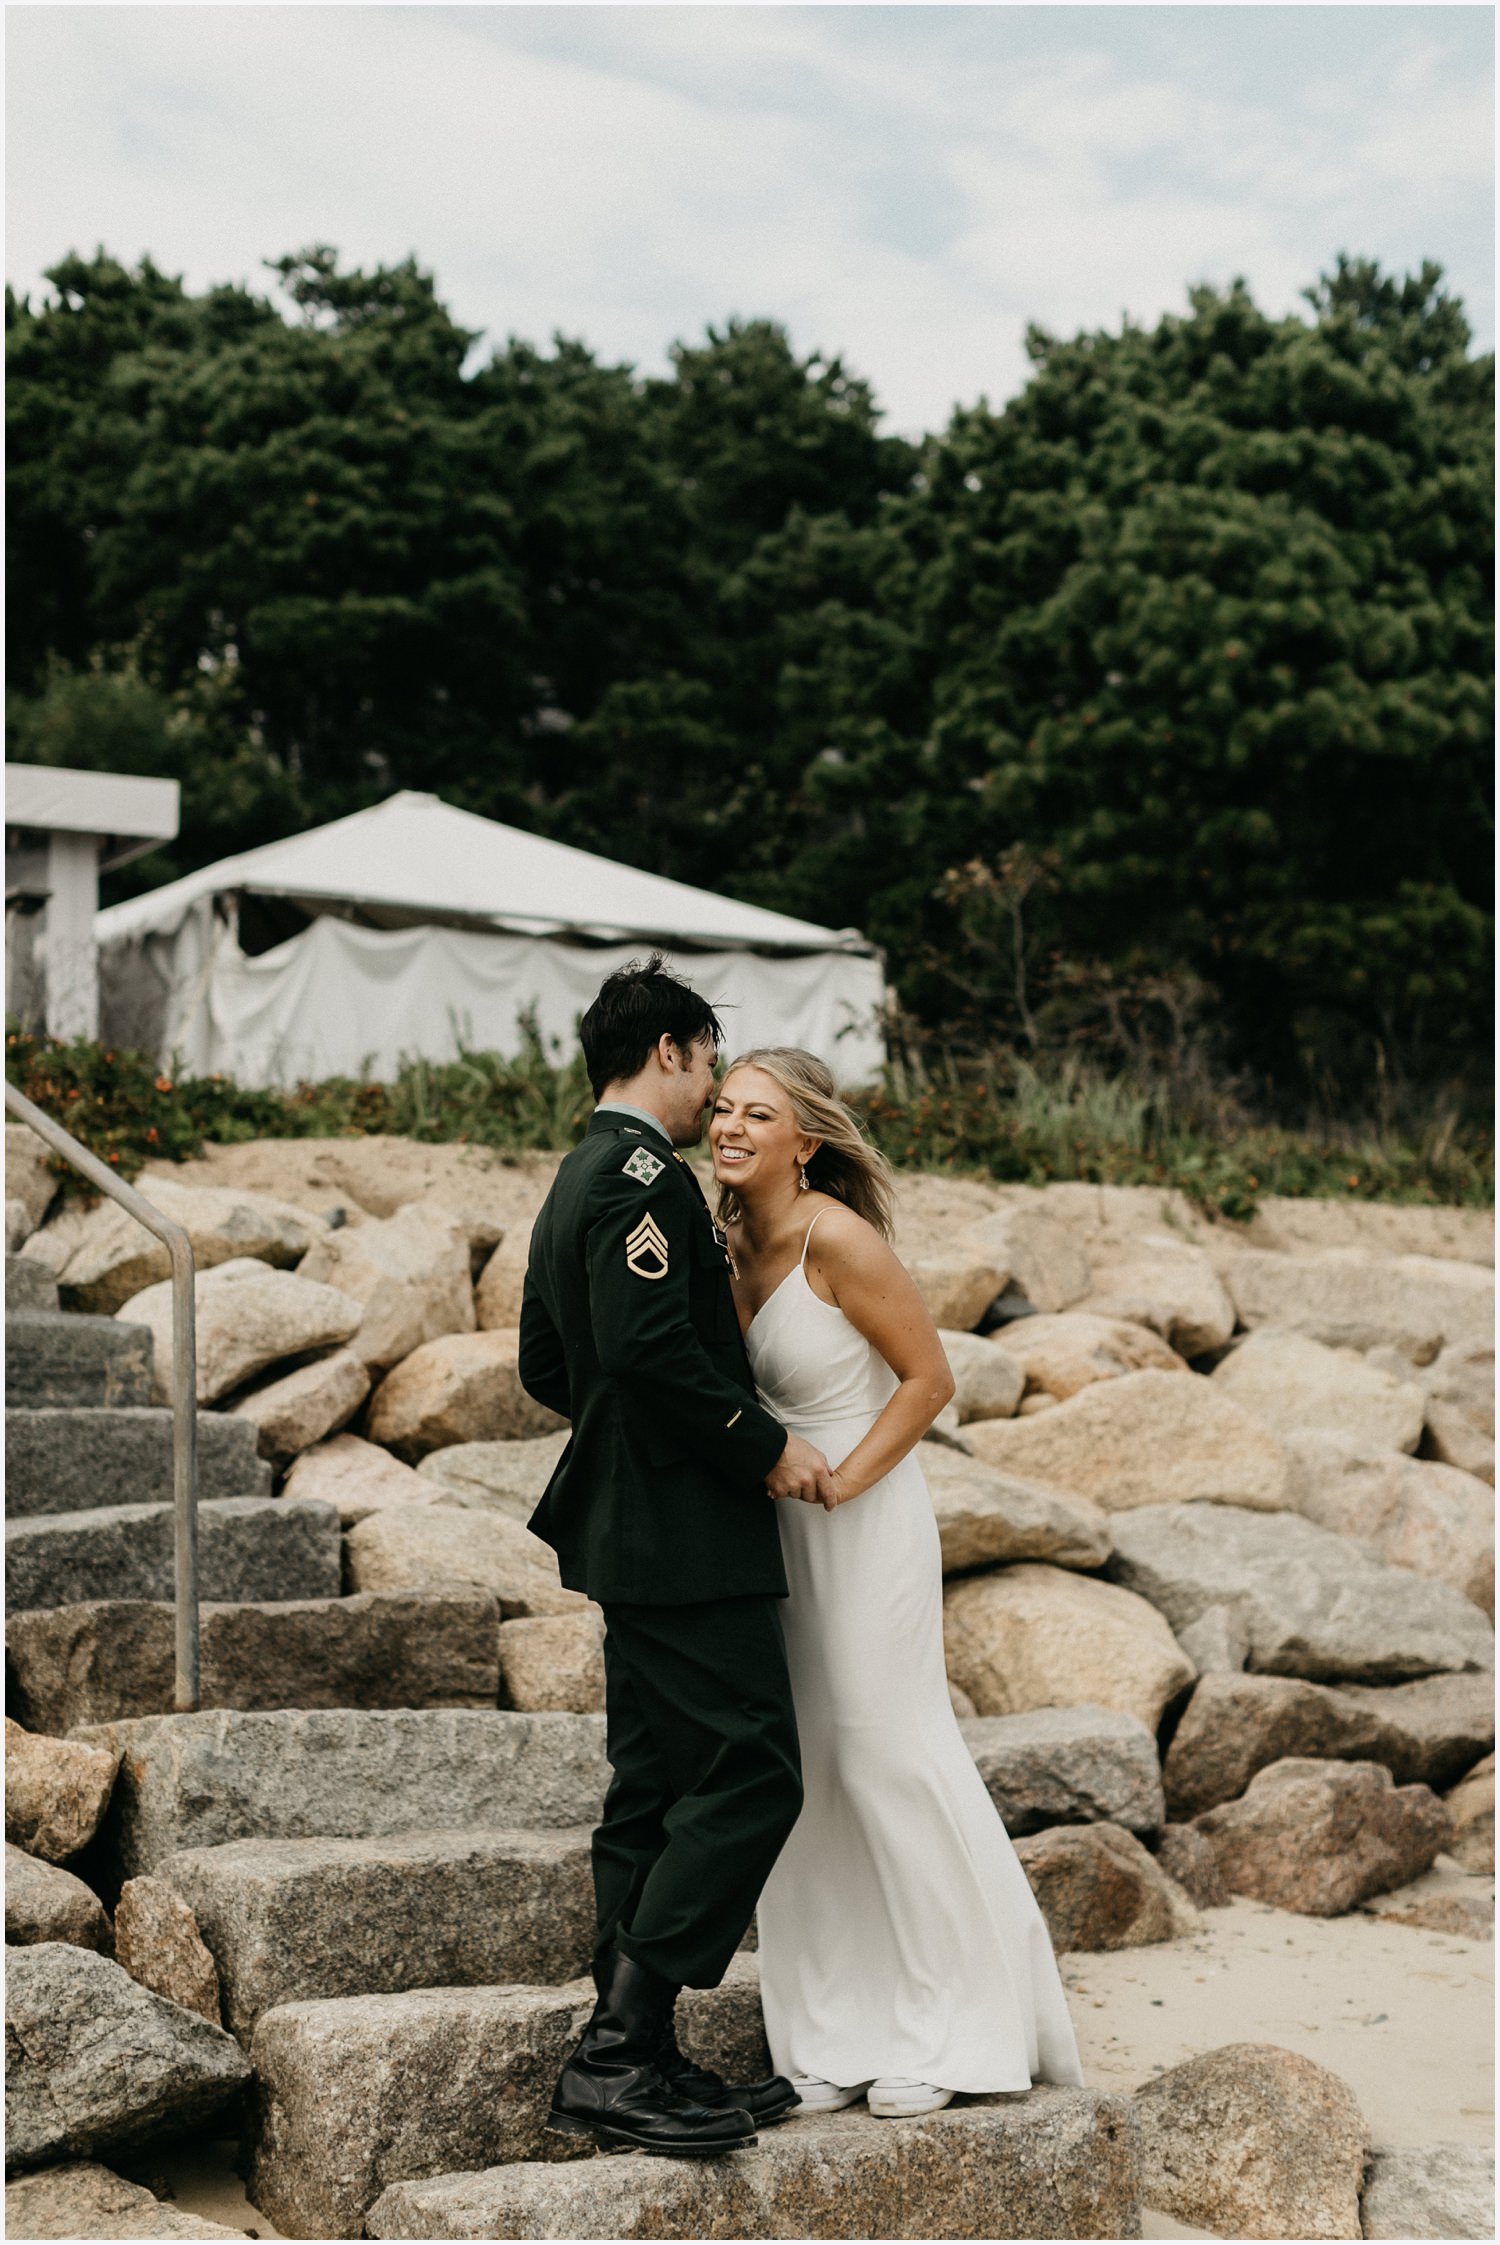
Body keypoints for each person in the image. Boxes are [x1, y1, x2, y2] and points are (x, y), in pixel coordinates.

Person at [709, 1046, 1085, 2118]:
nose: (732, 1125)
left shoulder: (840, 1235)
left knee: (884, 1755)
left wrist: (843, 1484)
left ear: (807, 1139)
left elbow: (931, 1381)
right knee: (806, 1770)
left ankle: (956, 2026)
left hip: (862, 1518)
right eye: (724, 1107)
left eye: (759, 1113)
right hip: (777, 1528)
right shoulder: (731, 1240)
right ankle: (833, 2034)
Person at [517, 958, 835, 2158]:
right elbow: (650, 1349)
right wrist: (761, 1445)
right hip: (687, 1528)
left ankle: (633, 2047)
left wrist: (622, 1442)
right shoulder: (642, 1175)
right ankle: (616, 2051)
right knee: (756, 1769)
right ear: (673, 1051)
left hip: (627, 1524)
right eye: (710, 1066)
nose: (713, 1094)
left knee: (651, 1782)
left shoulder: (572, 1177)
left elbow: (555, 1362)